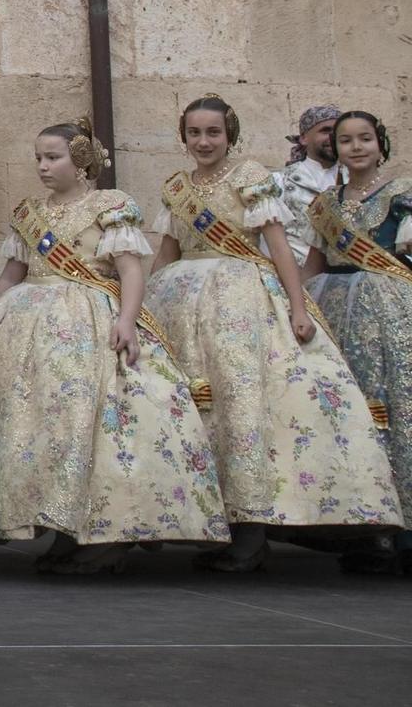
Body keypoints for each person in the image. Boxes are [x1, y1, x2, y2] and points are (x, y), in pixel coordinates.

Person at [145, 95, 399, 571]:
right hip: (180, 300)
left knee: (242, 408)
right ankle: (212, 523)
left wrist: (299, 308)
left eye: (214, 133)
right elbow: (168, 251)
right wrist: (143, 310)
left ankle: (251, 533)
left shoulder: (252, 178)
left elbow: (280, 249)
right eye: (195, 133)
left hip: (241, 299)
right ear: (184, 137)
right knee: (197, 412)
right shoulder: (176, 187)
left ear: (230, 134)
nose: (204, 141)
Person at [0, 118, 227, 574]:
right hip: (29, 332)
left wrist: (128, 322)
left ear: (82, 161)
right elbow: (11, 275)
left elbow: (130, 270)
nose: (43, 167)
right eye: (39, 158)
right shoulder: (30, 212)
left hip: (90, 325)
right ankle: (61, 527)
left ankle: (107, 536)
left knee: (93, 426)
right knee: (41, 428)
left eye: (53, 158)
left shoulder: (109, 206)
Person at [299, 110, 412, 574]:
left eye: (365, 138)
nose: (356, 147)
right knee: (350, 414)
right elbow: (312, 263)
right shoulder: (326, 203)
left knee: (395, 408)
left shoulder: (402, 195)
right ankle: (363, 529)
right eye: (346, 140)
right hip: (336, 308)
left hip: (388, 310)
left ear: (380, 144)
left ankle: (403, 531)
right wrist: (299, 309)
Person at [279, 104, 342, 255]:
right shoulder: (280, 181)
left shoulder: (355, 180)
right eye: (325, 131)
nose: (333, 137)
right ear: (304, 138)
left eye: (338, 131)